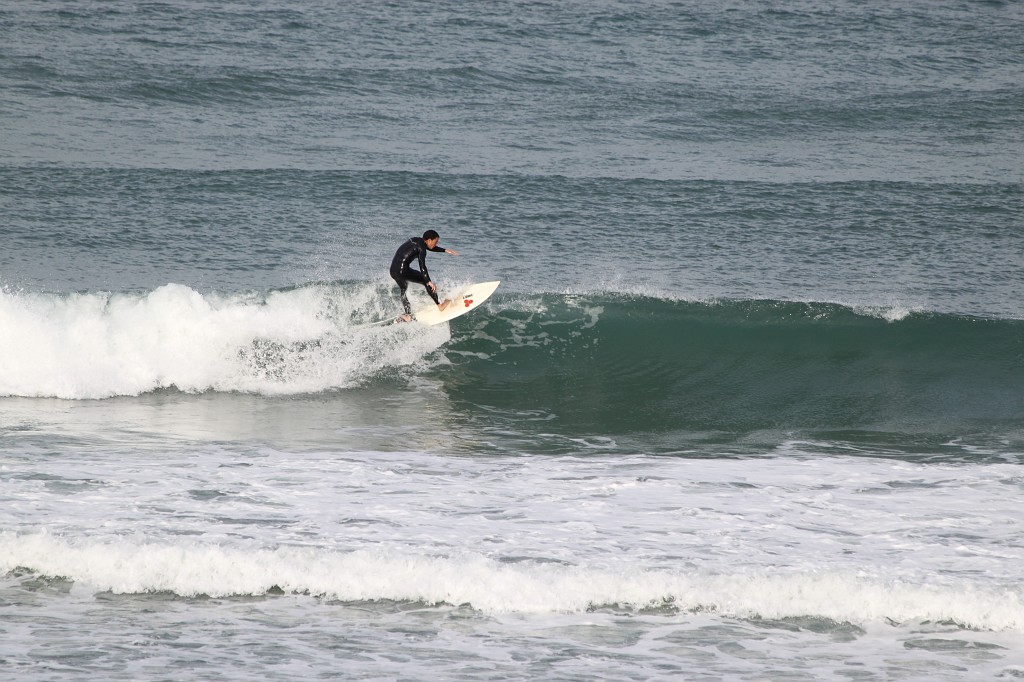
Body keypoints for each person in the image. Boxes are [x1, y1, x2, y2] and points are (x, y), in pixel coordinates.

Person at [390, 229, 459, 321]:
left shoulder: (415, 240)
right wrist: (428, 281)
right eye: (436, 242)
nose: (436, 244)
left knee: (403, 288)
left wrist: (445, 250)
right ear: (429, 240)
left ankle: (407, 315)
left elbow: (429, 247)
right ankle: (440, 306)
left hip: (393, 271)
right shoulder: (422, 249)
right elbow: (422, 265)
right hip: (403, 271)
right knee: (424, 280)